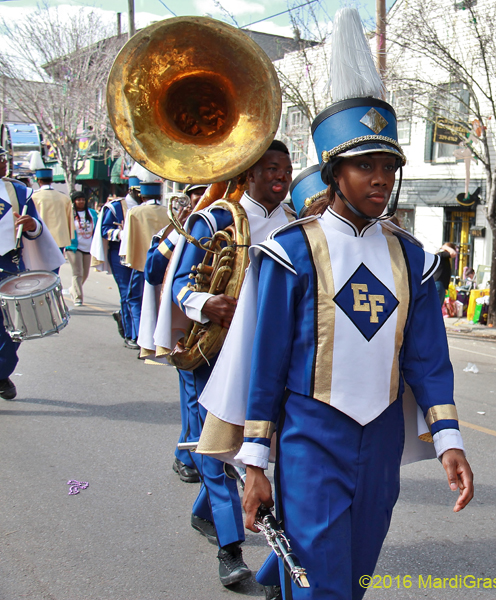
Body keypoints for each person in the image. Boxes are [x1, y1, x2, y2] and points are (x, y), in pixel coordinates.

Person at [197, 10, 474, 598]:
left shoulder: (414, 258)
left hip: (380, 441)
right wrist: (254, 466)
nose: (381, 179)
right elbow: (264, 367)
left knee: (356, 576)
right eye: (365, 166)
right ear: (334, 171)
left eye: (389, 166)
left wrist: (449, 440)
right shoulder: (290, 253)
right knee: (323, 585)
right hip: (309, 437)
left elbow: (428, 361)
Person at [170, 141, 297, 587]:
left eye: (287, 169)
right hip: (217, 349)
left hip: (271, 354)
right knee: (219, 452)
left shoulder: (296, 226)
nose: (281, 177)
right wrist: (210, 303)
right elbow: (179, 288)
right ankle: (229, 549)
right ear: (249, 172)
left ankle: (213, 516)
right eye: (272, 169)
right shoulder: (216, 218)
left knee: (266, 451)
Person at [138, 184, 207, 484]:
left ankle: (195, 453)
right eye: (199, 192)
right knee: (195, 395)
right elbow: (153, 270)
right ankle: (190, 456)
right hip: (194, 327)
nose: (206, 197)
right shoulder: (183, 228)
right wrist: (183, 230)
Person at [0, 149, 66, 399]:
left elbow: (36, 227)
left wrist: (31, 225)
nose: (5, 162)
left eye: (5, 157)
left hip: (10, 268)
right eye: (0, 158)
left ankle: (1, 371)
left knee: (13, 328)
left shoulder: (19, 192)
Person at [120, 181, 169, 350]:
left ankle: (138, 337)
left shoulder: (134, 212)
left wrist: (127, 261)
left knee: (134, 299)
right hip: (165, 263)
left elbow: (127, 240)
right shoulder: (169, 211)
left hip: (142, 263)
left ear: (142, 196)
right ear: (160, 195)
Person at [92, 177, 141, 343]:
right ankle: (130, 333)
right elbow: (105, 230)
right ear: (132, 190)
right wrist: (122, 234)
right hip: (121, 255)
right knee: (127, 293)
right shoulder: (115, 207)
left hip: (143, 254)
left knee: (142, 294)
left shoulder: (150, 207)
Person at [31, 168, 73, 270]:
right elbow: (70, 221)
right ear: (51, 180)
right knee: (55, 269)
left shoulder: (34, 197)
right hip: (59, 239)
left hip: (40, 237)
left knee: (40, 268)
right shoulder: (64, 198)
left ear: (39, 181)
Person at [65, 191, 97, 306]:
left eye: (82, 199)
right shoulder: (70, 214)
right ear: (74, 201)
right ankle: (78, 297)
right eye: (78, 199)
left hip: (88, 247)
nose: (81, 202)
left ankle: (73, 289)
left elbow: (97, 229)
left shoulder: (92, 213)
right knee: (77, 272)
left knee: (85, 274)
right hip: (74, 247)